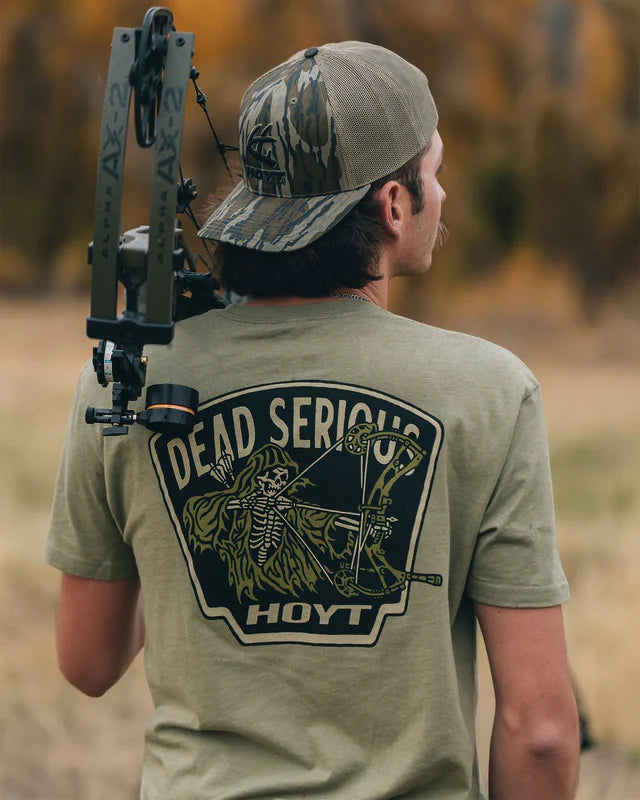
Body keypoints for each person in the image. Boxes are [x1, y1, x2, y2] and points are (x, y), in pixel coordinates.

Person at [47, 41, 580, 800]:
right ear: (393, 205)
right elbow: (542, 735)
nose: (442, 192)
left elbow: (88, 662)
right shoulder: (491, 390)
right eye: (433, 171)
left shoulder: (129, 376)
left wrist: (171, 540)